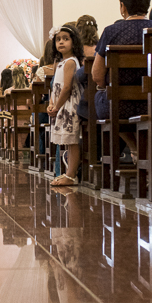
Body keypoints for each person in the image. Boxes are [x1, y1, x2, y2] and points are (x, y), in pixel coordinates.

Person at [92, 0, 152, 146]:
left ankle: (134, 146)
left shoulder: (111, 32)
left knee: (100, 97)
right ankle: (145, 147)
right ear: (148, 3)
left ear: (122, 6)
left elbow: (97, 75)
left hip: (118, 106)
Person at [48, 25, 84, 187]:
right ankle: (69, 172)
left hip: (69, 105)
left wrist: (57, 106)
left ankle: (71, 175)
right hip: (61, 104)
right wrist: (51, 104)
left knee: (72, 140)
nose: (61, 42)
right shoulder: (60, 63)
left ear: (74, 42)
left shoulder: (71, 62)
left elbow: (67, 87)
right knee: (69, 141)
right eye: (58, 39)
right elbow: (54, 87)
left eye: (66, 39)